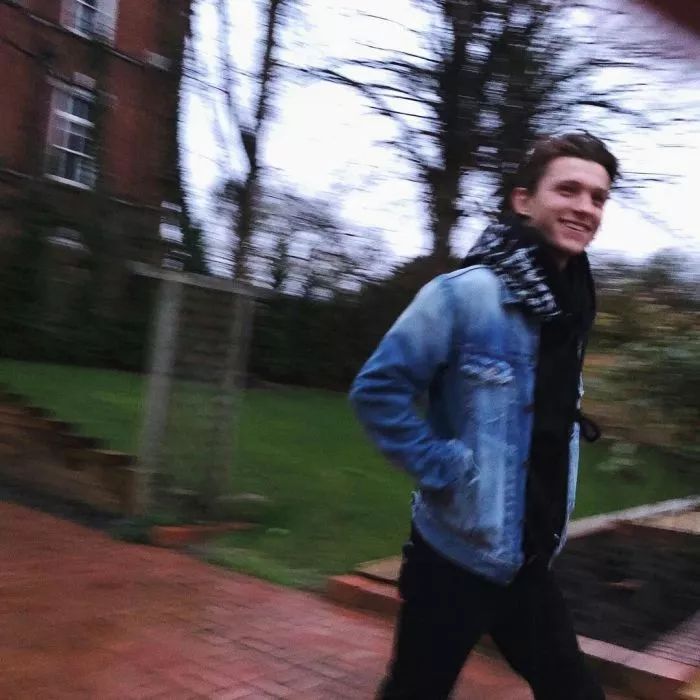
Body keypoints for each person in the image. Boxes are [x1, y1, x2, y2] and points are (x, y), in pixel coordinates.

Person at [349, 132, 618, 700]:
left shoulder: (570, 306)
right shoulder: (463, 296)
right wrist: (448, 469)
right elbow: (378, 390)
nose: (585, 207)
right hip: (454, 557)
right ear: (523, 201)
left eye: (597, 197)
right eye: (568, 190)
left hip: (527, 561)